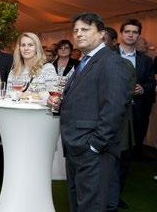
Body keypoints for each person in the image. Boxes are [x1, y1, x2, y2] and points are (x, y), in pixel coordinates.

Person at [47, 12, 133, 212]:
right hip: (78, 146)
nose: (78, 34)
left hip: (92, 148)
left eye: (85, 29)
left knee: (91, 205)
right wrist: (60, 104)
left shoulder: (111, 62)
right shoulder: (84, 62)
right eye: (76, 30)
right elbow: (85, 99)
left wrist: (95, 144)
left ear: (102, 34)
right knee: (79, 201)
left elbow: (114, 108)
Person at [111, 19, 155, 210]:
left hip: (134, 114)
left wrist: (142, 88)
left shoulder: (146, 60)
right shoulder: (108, 55)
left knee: (126, 157)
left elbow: (151, 84)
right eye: (127, 31)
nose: (130, 35)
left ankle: (116, 195)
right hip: (111, 114)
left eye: (134, 32)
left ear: (138, 35)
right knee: (109, 156)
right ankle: (103, 192)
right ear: (121, 33)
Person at [5, 32, 57, 101]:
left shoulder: (47, 68)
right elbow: (8, 97)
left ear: (36, 48)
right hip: (17, 111)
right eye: (23, 45)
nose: (26, 48)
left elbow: (53, 96)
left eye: (30, 45)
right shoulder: (14, 72)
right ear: (19, 49)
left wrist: (26, 96)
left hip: (38, 111)